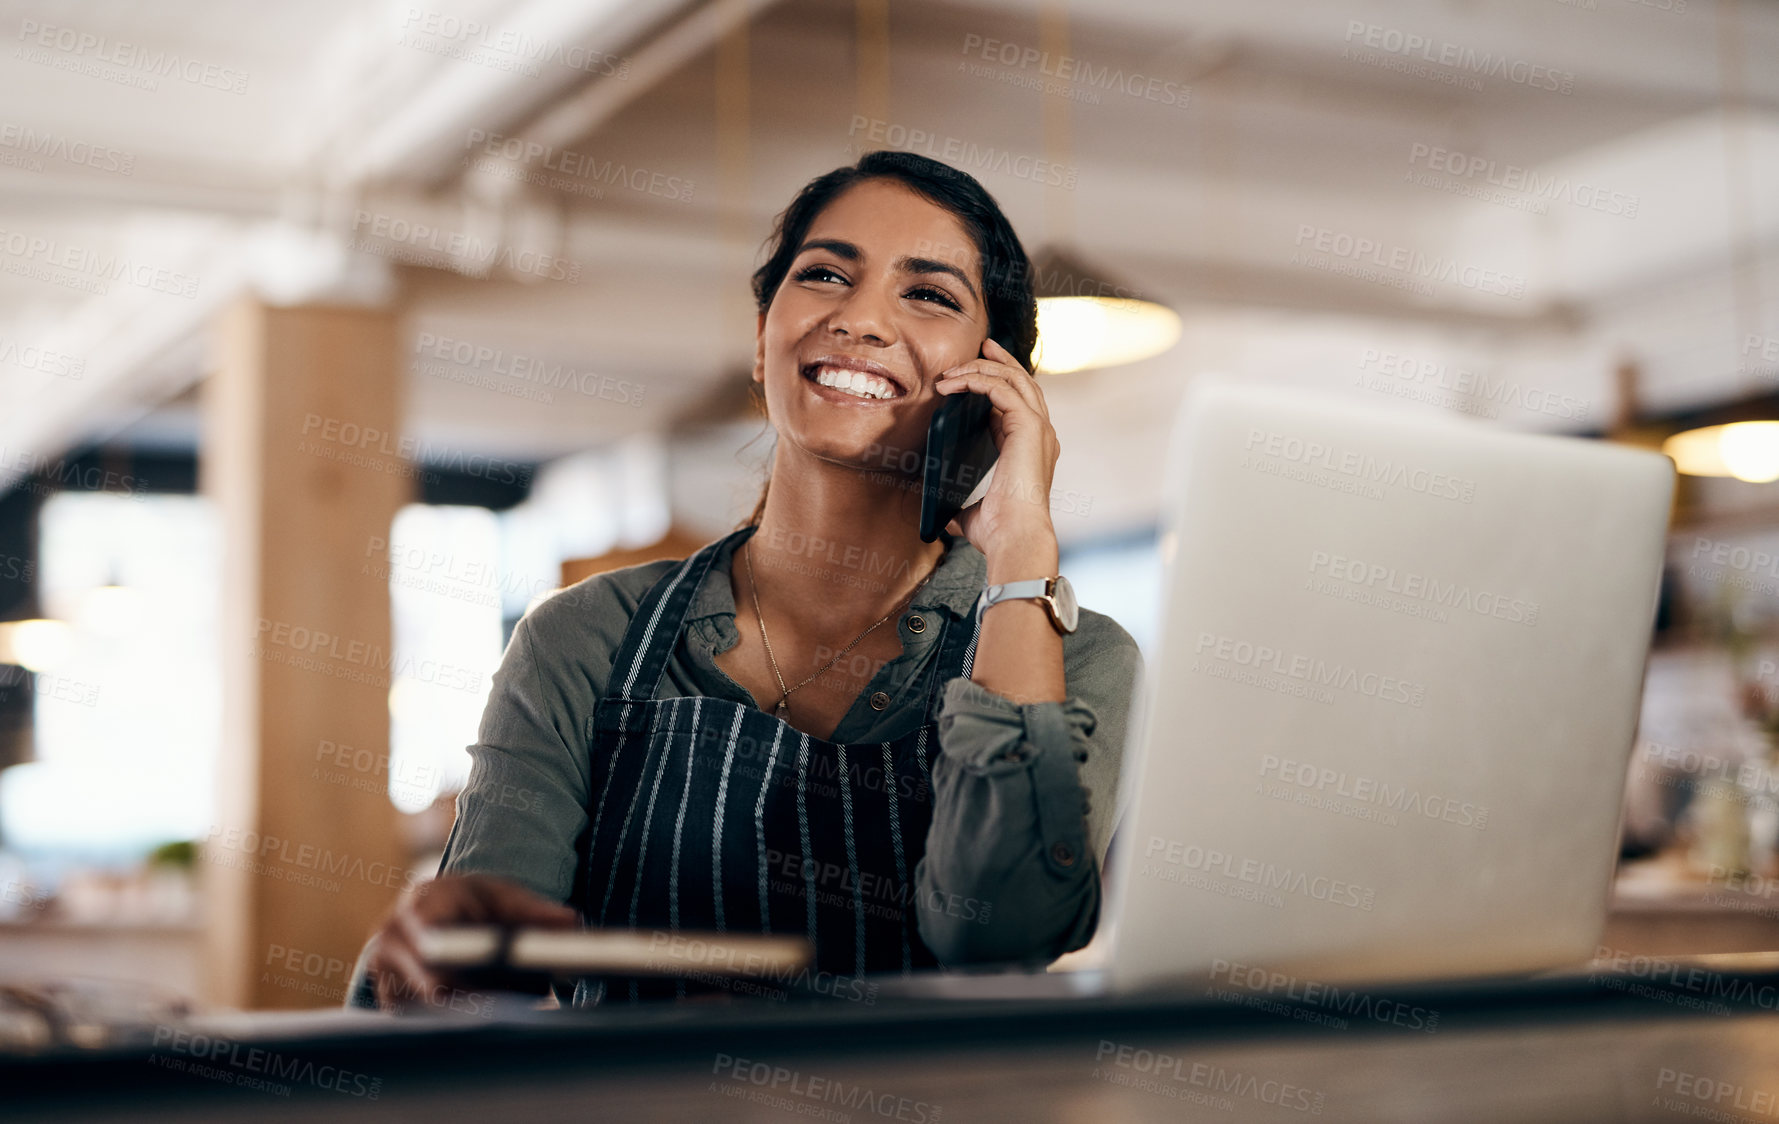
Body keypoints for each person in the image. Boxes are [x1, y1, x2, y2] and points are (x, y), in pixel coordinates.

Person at [349, 150, 1142, 1011]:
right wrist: (441, 942)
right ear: (763, 344)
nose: (860, 317)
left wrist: (1023, 550)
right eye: (826, 274)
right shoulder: (585, 637)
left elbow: (1001, 933)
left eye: (928, 294)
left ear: (996, 386)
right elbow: (469, 979)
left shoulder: (1076, 655)